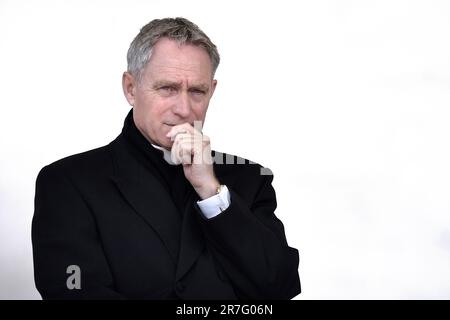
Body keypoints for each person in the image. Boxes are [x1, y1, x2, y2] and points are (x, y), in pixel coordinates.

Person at [32, 17, 301, 300]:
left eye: (197, 91)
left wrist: (212, 193)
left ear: (212, 91)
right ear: (131, 88)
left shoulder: (249, 178)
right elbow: (73, 291)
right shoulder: (68, 182)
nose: (184, 109)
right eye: (167, 88)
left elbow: (279, 287)